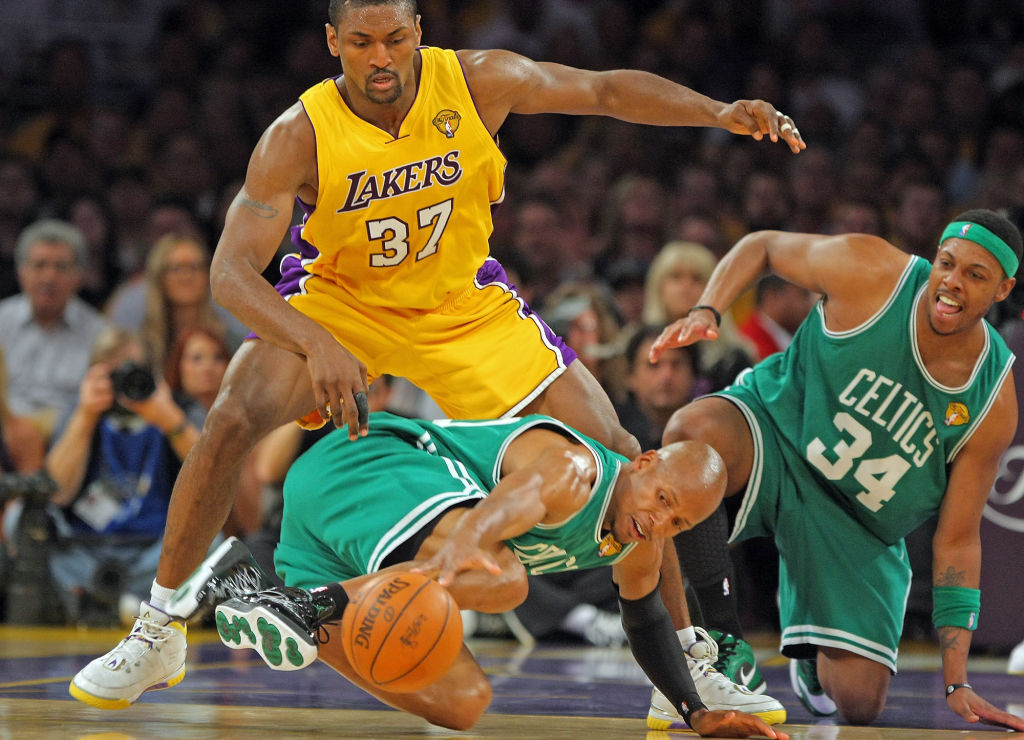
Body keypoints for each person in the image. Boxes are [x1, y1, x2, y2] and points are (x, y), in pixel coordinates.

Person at [69, 0, 805, 709]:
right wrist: (316, 340)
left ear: (419, 31)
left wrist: (715, 111)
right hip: (343, 303)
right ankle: (159, 628)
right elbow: (229, 271)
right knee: (233, 414)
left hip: (461, 307)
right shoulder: (299, 133)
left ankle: (688, 661)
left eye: (394, 37)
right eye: (361, 42)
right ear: (333, 43)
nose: (380, 57)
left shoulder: (480, 79)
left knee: (616, 447)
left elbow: (606, 90)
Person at [649, 209, 1024, 730]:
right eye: (946, 263)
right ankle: (723, 640)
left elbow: (957, 540)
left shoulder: (992, 400)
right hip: (778, 434)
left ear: (1002, 290)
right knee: (688, 437)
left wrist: (957, 679)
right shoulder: (871, 270)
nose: (952, 283)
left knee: (860, 706)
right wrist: (709, 307)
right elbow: (761, 246)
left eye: (975, 276)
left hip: (858, 528)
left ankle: (810, 653)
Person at [204, 412, 786, 736]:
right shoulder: (576, 471)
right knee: (507, 581)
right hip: (364, 465)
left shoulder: (639, 542)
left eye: (675, 521)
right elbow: (495, 516)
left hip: (346, 538)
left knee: (462, 702)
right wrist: (470, 548)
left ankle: (264, 593)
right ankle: (296, 606)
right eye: (661, 498)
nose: (657, 521)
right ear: (642, 462)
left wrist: (696, 711)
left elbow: (645, 617)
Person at [45, 327, 202, 624]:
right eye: (113, 376)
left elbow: (213, 480)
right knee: (23, 520)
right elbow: (55, 491)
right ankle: (135, 604)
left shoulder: (178, 409)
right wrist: (84, 417)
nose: (122, 385)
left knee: (213, 534)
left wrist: (169, 419)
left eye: (133, 372)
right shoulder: (79, 411)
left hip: (156, 551)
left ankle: (104, 603)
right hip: (86, 548)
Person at [0, 219, 109, 440]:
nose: (49, 277)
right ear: (21, 271)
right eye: (39, 265)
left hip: (71, 440)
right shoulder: (2, 321)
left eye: (61, 267)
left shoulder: (100, 333)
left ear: (79, 275)